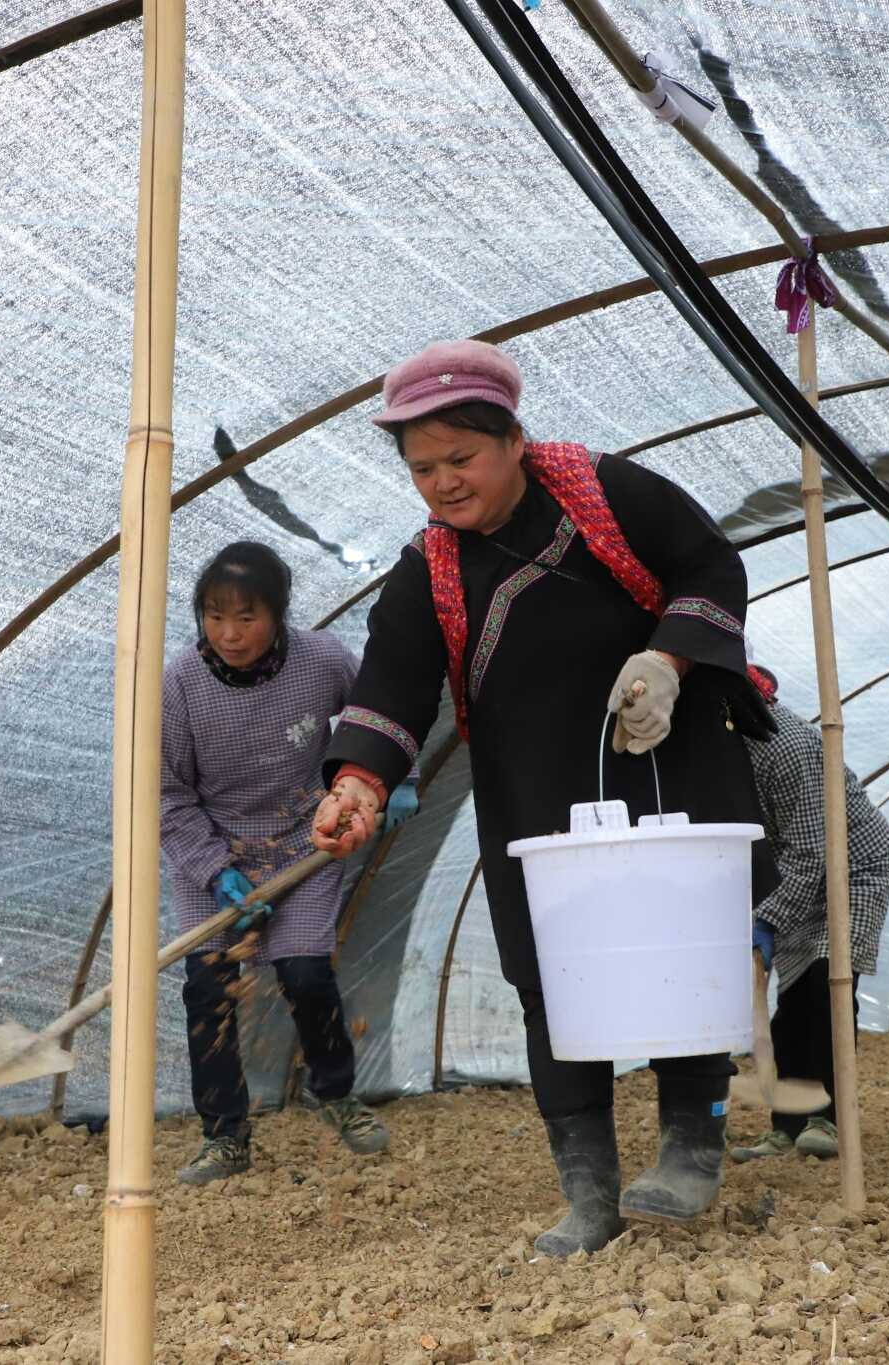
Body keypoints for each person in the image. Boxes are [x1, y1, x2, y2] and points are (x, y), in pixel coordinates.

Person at [311, 339, 780, 1257]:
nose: (444, 483)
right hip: (533, 796)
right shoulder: (430, 572)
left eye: (461, 458)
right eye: (422, 468)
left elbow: (709, 567)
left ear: (514, 439)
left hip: (663, 761)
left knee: (682, 948)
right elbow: (392, 684)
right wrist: (357, 780)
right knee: (550, 977)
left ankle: (691, 1142)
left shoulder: (608, 494)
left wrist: (668, 661)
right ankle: (590, 1188)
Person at [162, 541, 414, 1185]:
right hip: (214, 849)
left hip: (307, 838)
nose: (229, 634)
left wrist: (391, 776)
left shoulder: (321, 658)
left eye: (246, 617)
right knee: (210, 990)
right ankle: (225, 1135)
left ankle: (336, 1096)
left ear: (278, 614)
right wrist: (216, 869)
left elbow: (374, 716)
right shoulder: (179, 686)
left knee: (304, 972)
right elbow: (167, 795)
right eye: (214, 617)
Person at [726, 688, 889, 1163]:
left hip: (854, 867)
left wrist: (767, 920)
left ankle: (831, 1118)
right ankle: (785, 1126)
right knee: (792, 1002)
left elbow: (810, 853)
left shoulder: (786, 746)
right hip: (793, 870)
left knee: (828, 989)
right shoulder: (720, 750)